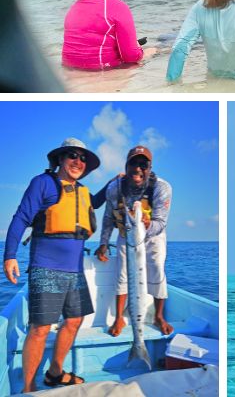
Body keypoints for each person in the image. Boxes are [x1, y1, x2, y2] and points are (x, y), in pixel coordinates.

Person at [3, 139, 102, 391]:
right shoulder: (43, 183)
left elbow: (96, 201)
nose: (78, 162)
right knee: (40, 328)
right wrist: (10, 255)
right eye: (72, 156)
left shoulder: (82, 191)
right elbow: (22, 216)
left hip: (75, 270)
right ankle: (28, 388)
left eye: (83, 159)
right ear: (60, 159)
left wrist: (115, 183)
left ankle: (55, 373)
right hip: (46, 267)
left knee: (74, 320)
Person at [94, 145, 174, 336]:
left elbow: (161, 222)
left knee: (156, 269)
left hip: (153, 236)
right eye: (133, 163)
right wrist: (103, 243)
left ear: (150, 168)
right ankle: (118, 318)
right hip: (126, 234)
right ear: (126, 165)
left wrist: (147, 225)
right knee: (122, 273)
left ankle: (159, 316)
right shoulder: (114, 188)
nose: (138, 169)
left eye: (143, 165)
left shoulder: (162, 187)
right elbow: (107, 217)